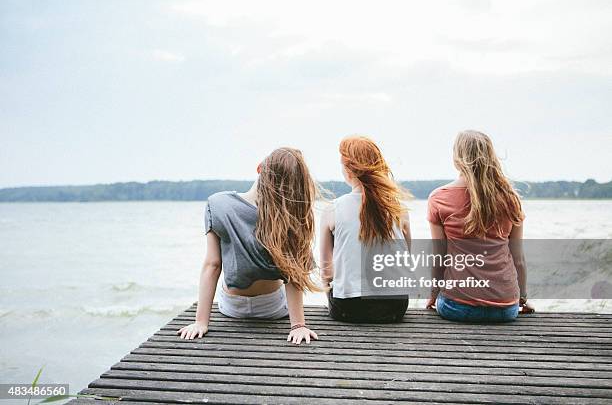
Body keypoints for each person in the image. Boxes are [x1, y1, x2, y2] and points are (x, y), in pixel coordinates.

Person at [178, 148, 320, 344]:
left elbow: (213, 265)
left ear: (260, 168)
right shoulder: (290, 215)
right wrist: (298, 325)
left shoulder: (218, 204)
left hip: (231, 307)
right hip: (273, 308)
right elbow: (293, 274)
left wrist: (201, 322)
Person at [426, 130, 534, 322]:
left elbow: (439, 257)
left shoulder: (439, 198)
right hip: (506, 309)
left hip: (456, 307)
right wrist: (522, 299)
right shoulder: (511, 199)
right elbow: (519, 259)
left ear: (457, 157)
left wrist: (434, 294)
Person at [320, 136, 411, 323]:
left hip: (349, 308)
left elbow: (327, 272)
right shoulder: (398, 208)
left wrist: (331, 294)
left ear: (348, 171)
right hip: (396, 306)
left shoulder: (333, 209)